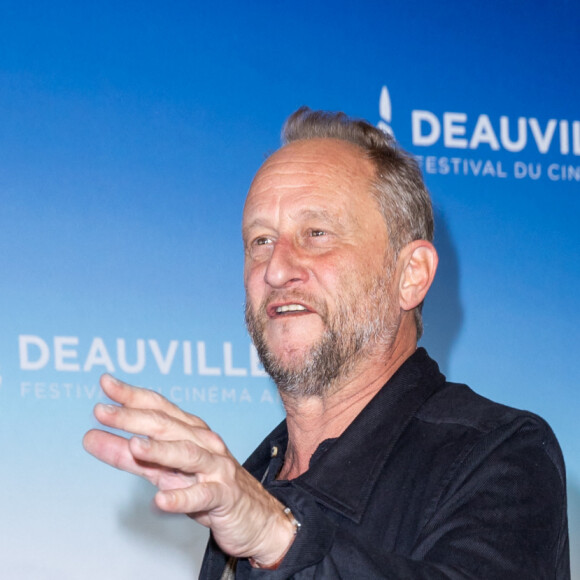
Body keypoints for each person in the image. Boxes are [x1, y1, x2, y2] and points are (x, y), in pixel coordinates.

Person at [84, 107, 570, 579]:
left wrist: (279, 539)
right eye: (260, 241)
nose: (275, 269)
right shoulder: (254, 481)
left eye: (316, 233)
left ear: (411, 275)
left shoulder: (498, 453)